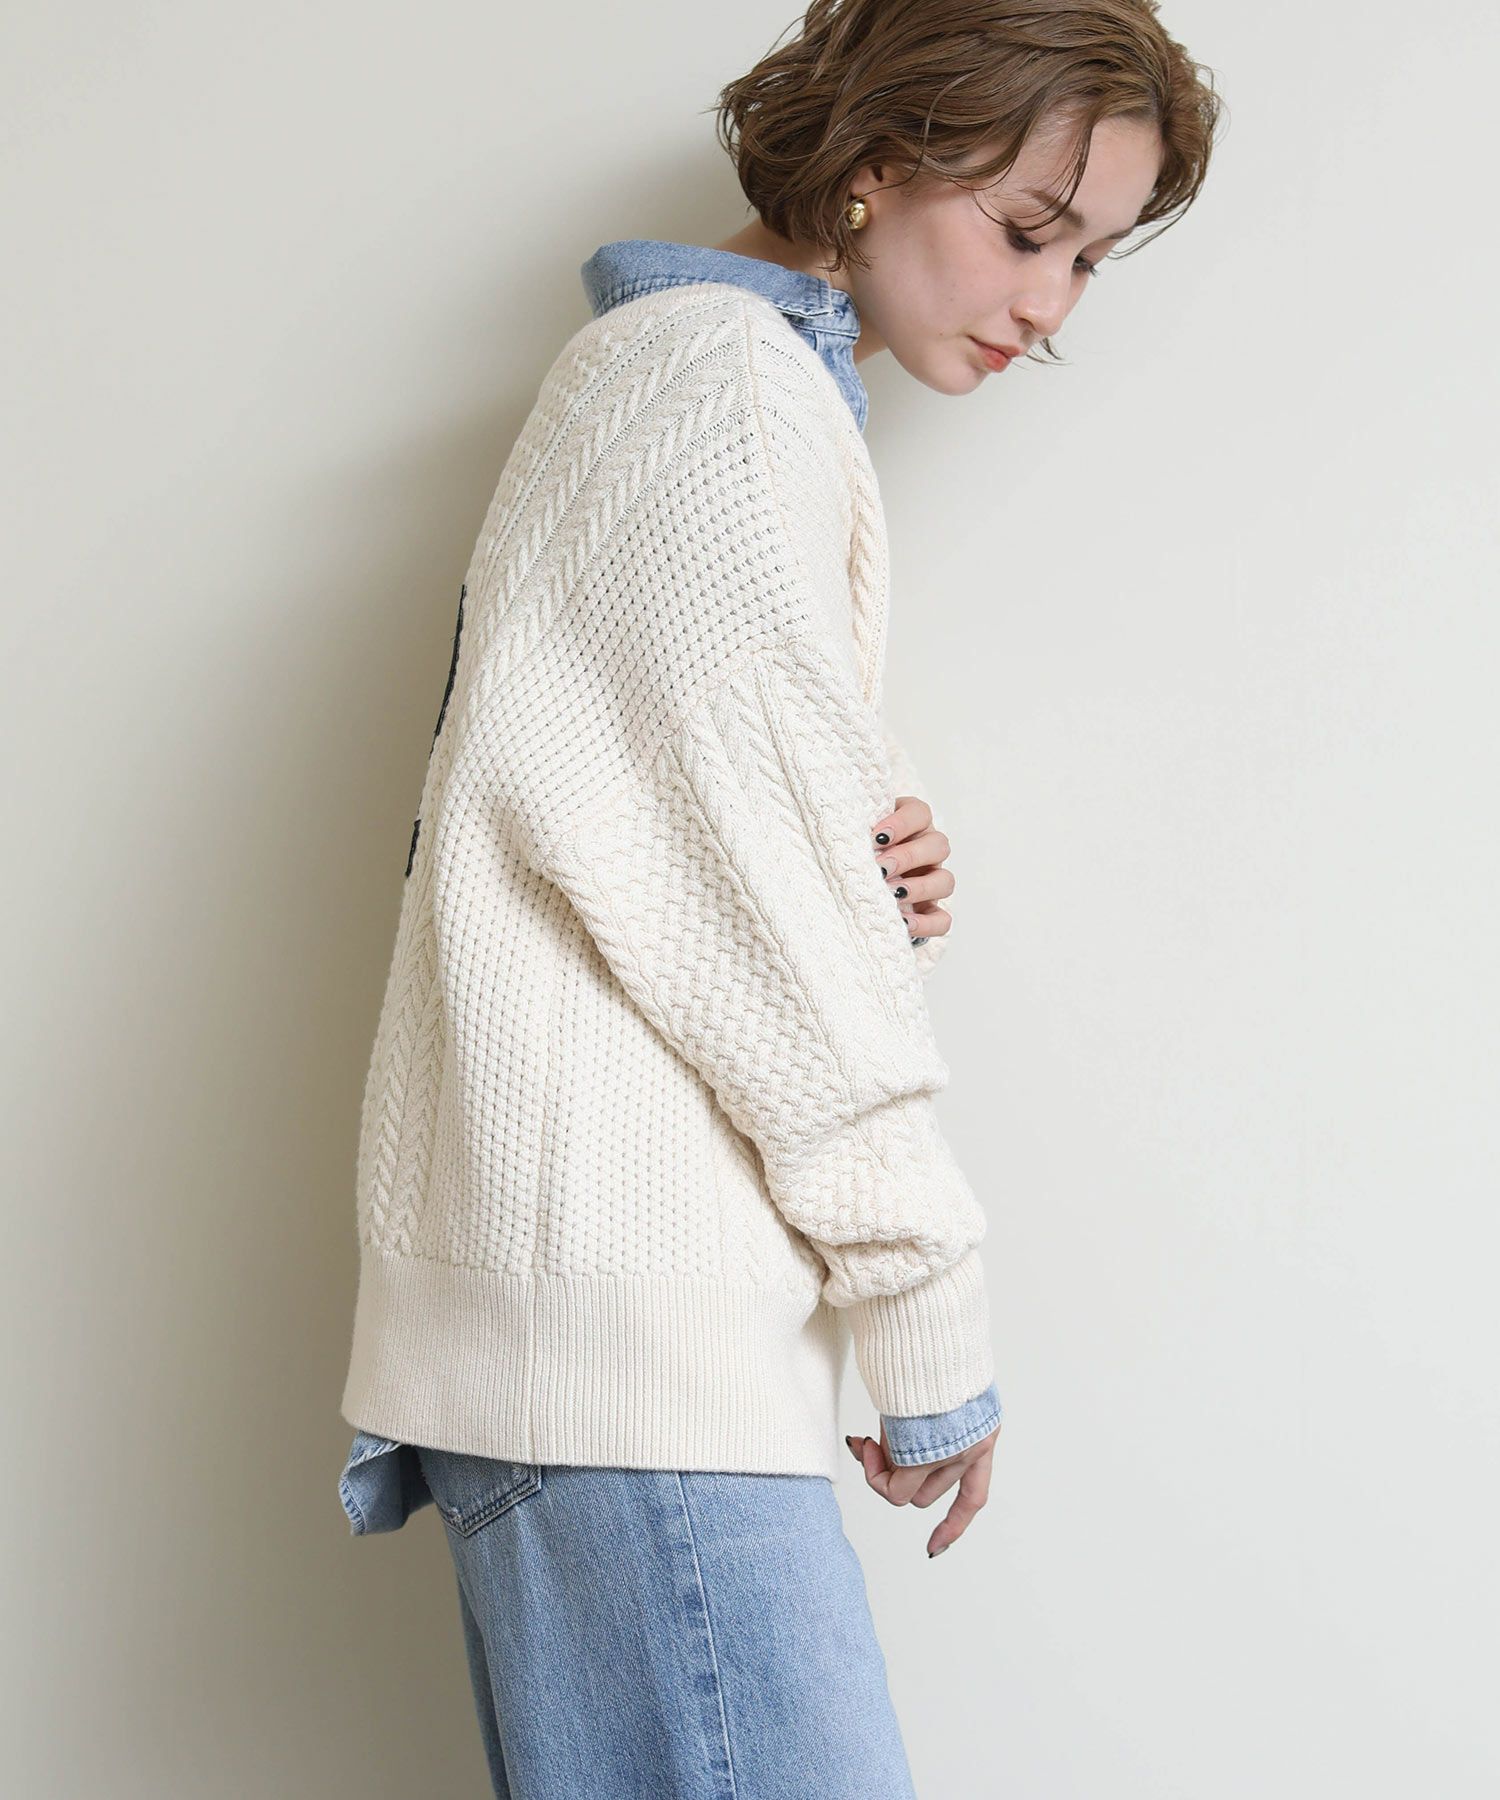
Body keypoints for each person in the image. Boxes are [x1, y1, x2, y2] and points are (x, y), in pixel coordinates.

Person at [336, 2, 1221, 1793]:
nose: (1051, 302)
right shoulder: (721, 396)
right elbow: (770, 942)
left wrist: (849, 855)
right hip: (633, 1345)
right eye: (1028, 230)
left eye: (1089, 259)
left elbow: (656, 841)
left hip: (585, 1340)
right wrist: (926, 1308)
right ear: (881, 157)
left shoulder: (693, 389)